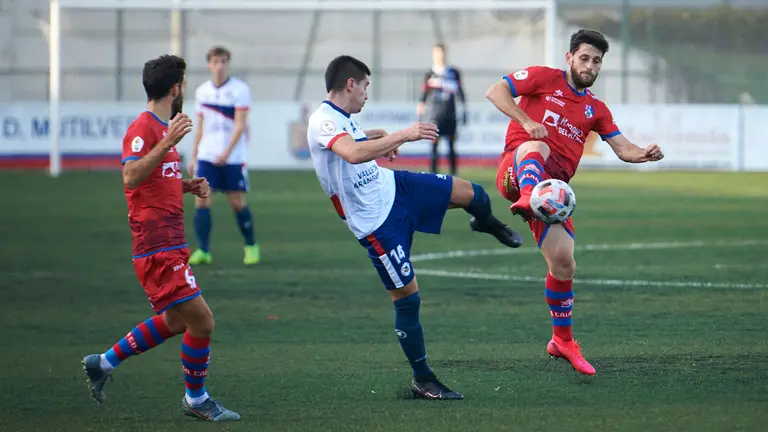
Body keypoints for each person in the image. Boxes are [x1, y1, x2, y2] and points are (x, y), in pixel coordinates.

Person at [307, 55, 523, 400]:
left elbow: (358, 142)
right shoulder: (323, 120)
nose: (366, 93)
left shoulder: (343, 119)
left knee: (471, 192)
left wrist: (383, 138)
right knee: (408, 299)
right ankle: (423, 379)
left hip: (395, 187)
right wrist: (403, 135)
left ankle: (486, 222)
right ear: (350, 84)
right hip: (376, 224)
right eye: (364, 86)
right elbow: (351, 153)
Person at [485, 29, 665, 376]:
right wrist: (526, 121)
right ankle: (527, 196)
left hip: (552, 195)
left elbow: (623, 148)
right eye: (584, 58)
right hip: (516, 170)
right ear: (570, 57)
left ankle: (562, 341)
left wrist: (644, 154)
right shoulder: (542, 78)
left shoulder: (596, 108)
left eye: (596, 61)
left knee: (564, 263)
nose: (590, 65)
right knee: (535, 146)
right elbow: (496, 91)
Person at [81, 54, 240, 422]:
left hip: (170, 242)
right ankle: (196, 400)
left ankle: (103, 363)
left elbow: (156, 178)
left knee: (176, 321)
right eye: (183, 83)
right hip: (156, 247)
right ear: (175, 88)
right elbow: (131, 176)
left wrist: (186, 186)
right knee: (202, 322)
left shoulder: (163, 128)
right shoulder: (145, 129)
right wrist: (166, 140)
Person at [187, 46, 259, 266]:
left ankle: (251, 246)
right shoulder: (202, 92)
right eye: (216, 61)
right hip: (207, 155)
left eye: (224, 62)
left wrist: (226, 153)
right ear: (209, 64)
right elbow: (200, 126)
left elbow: (240, 125)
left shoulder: (240, 90)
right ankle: (203, 250)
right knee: (202, 199)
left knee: (236, 201)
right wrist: (194, 156)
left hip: (233, 157)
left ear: (229, 64)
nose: (220, 66)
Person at [417, 43, 467, 175]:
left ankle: (454, 176)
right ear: (433, 54)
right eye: (437, 53)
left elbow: (460, 93)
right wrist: (420, 113)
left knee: (451, 146)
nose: (440, 56)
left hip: (450, 113)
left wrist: (464, 111)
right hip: (435, 115)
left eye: (442, 53)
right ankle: (434, 175)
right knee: (434, 146)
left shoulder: (453, 72)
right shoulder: (430, 73)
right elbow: (424, 95)